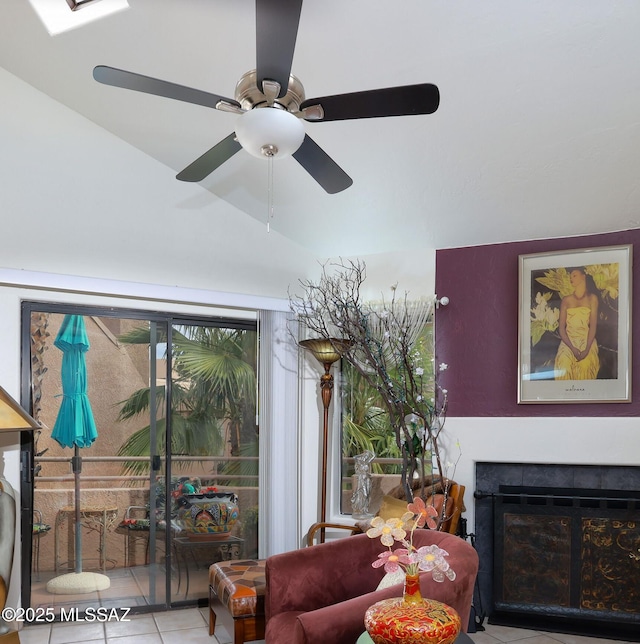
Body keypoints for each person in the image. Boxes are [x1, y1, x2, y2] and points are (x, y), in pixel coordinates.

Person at [554, 267, 600, 380]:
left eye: (574, 275)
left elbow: (593, 327)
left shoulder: (592, 299)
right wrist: (572, 348)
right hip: (568, 342)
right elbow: (561, 329)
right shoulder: (566, 300)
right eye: (570, 276)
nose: (571, 278)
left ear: (583, 276)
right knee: (564, 364)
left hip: (586, 341)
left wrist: (586, 349)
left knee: (585, 366)